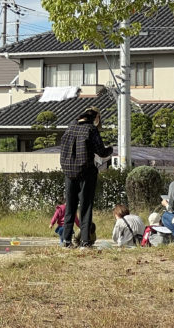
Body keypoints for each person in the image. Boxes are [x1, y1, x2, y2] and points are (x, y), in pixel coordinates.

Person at [59, 106, 112, 248]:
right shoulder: (90, 129)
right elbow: (101, 151)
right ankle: (84, 240)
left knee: (70, 206)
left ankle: (66, 240)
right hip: (86, 172)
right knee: (86, 207)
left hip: (69, 172)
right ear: (95, 117)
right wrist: (111, 149)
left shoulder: (70, 127)